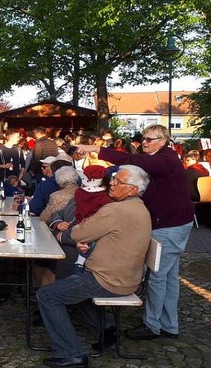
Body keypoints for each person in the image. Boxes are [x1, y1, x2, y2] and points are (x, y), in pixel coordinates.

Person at [77, 124, 194, 341]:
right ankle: (169, 325)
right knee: (168, 277)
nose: (145, 143)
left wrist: (95, 149)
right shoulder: (161, 157)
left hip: (170, 226)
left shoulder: (165, 158)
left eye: (150, 139)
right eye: (144, 139)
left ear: (163, 140)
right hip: (173, 223)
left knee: (158, 277)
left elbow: (135, 161)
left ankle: (153, 326)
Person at [37, 165, 152, 368]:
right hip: (126, 276)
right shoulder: (139, 206)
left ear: (133, 189)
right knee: (70, 282)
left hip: (108, 279)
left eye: (119, 182)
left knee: (47, 295)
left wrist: (77, 235)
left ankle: (70, 353)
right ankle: (106, 329)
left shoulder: (115, 209)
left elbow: (79, 232)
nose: (112, 183)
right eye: (113, 179)